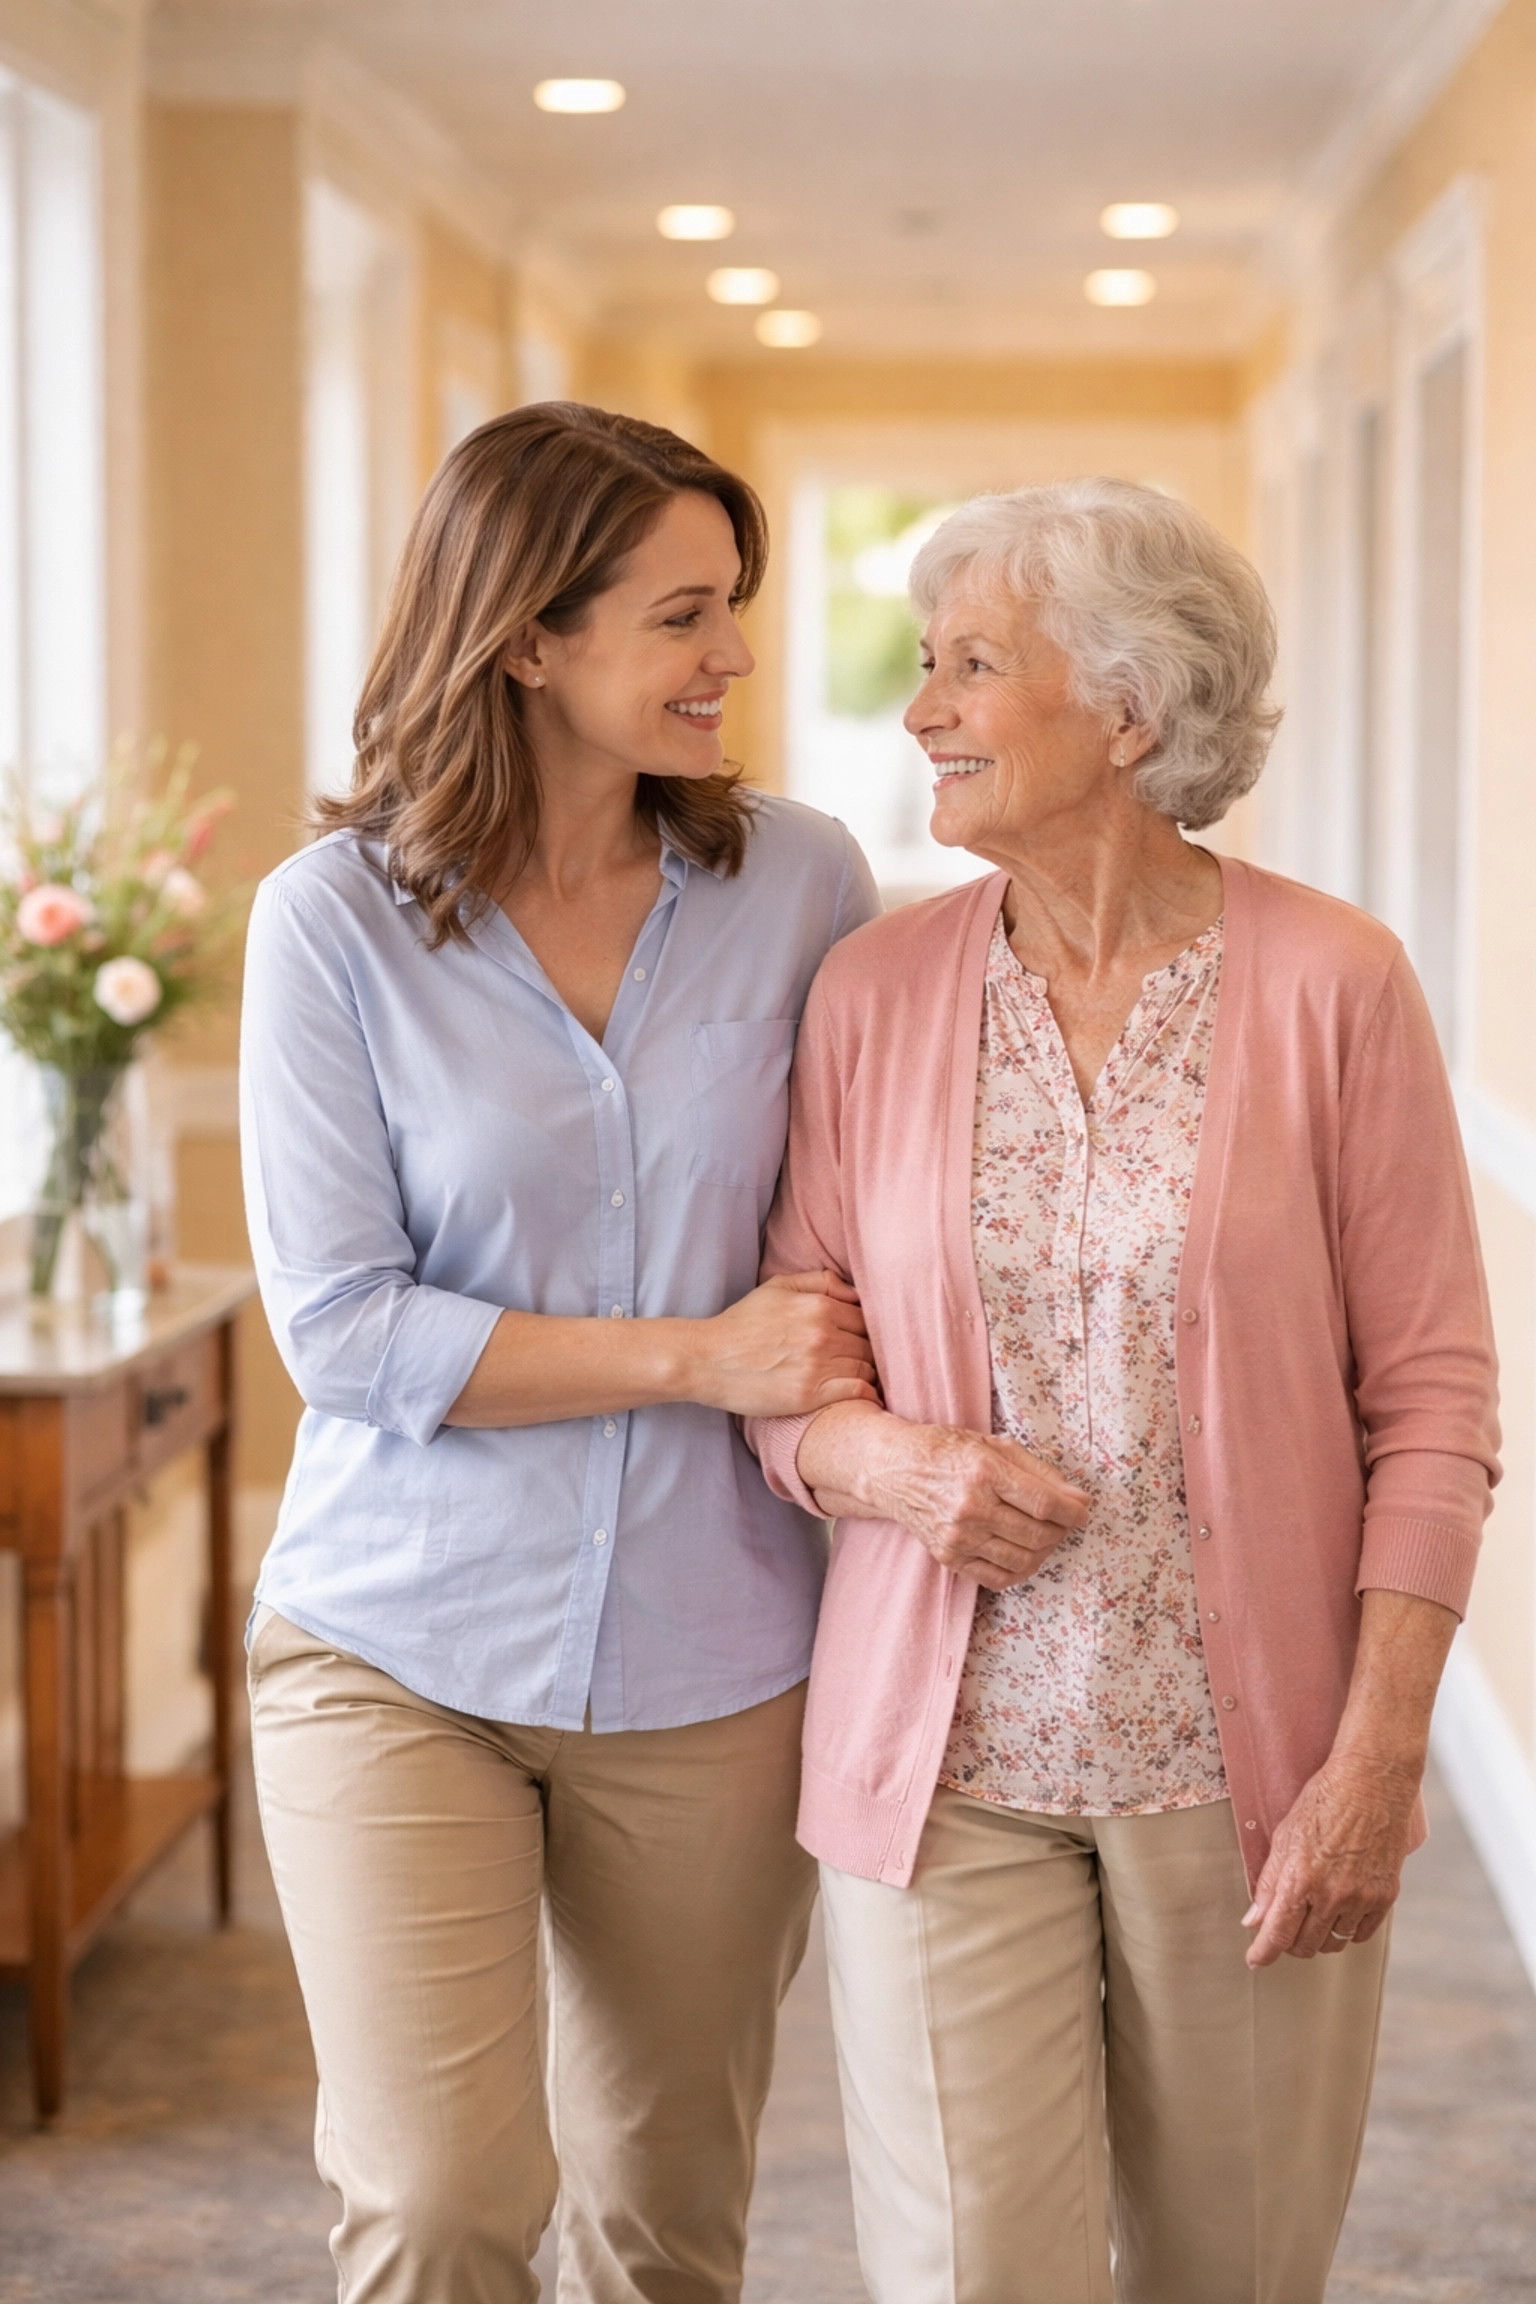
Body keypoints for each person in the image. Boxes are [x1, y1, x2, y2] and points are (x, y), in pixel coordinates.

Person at [747, 476, 1500, 2304]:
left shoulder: (1334, 984)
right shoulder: (872, 992)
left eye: (973, 666)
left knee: (1229, 2269)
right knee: (969, 2276)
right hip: (949, 1770)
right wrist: (897, 1465)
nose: (920, 708)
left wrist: (1380, 1751)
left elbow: (1436, 1402)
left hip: (1249, 1770)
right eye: (927, 664)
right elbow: (794, 1351)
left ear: (1132, 710)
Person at [239, 402, 880, 2304]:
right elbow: (345, 1332)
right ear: (530, 634)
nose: (736, 658)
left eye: (734, 607)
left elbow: (863, 1224)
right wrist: (699, 1361)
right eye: (686, 615)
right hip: (399, 1642)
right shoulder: (331, 924)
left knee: (666, 2215)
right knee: (438, 2203)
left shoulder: (805, 886)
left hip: (714, 1655)